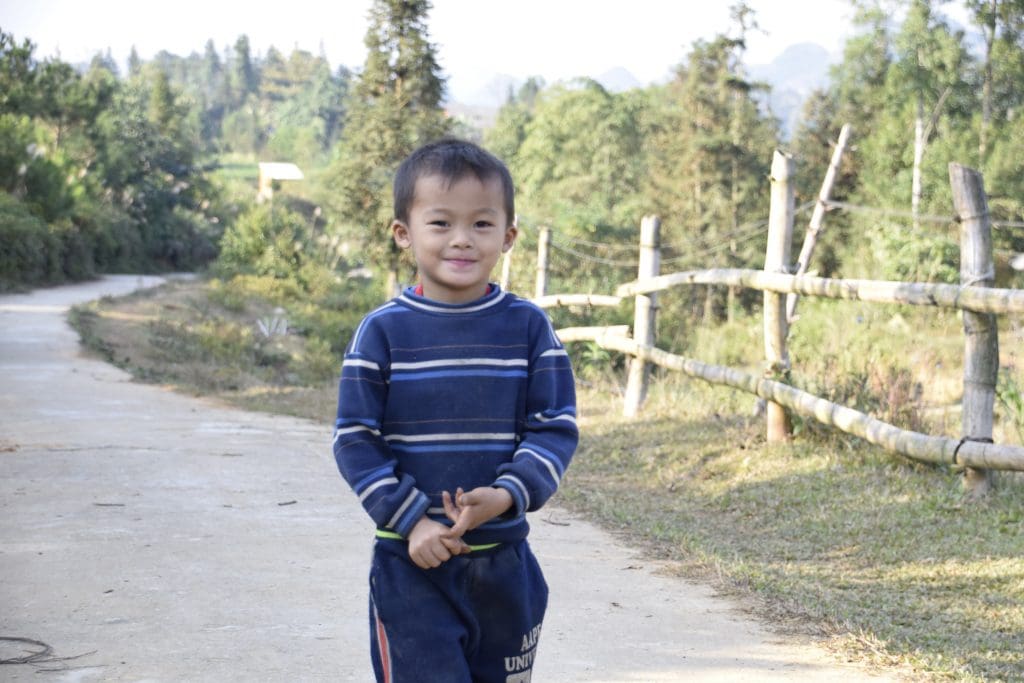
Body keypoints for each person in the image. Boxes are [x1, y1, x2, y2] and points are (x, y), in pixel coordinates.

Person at [332, 138, 578, 683]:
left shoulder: (529, 329)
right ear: (404, 233)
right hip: (411, 564)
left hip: (505, 564)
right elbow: (354, 438)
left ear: (508, 236)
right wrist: (412, 521)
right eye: (441, 223)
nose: (462, 239)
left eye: (482, 224)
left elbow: (554, 427)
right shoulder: (382, 332)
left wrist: (508, 493)